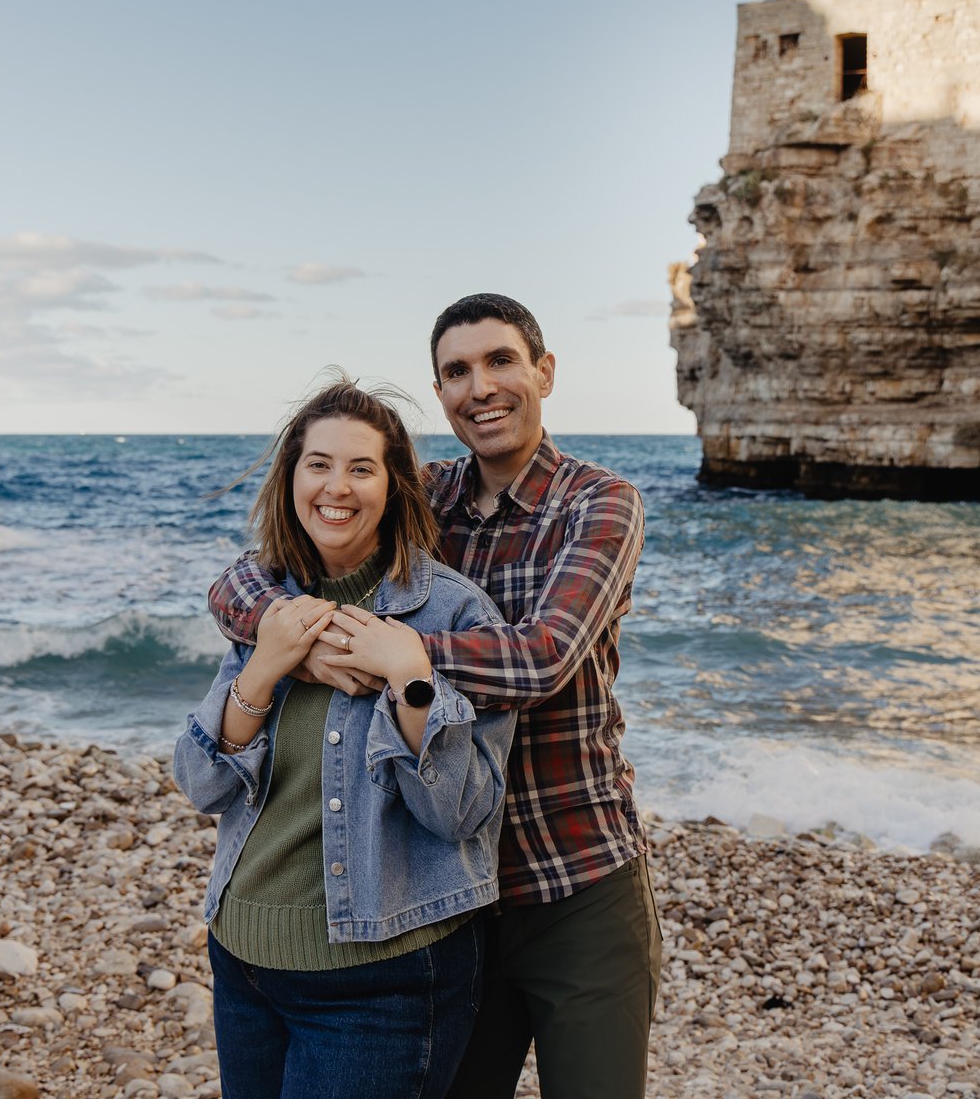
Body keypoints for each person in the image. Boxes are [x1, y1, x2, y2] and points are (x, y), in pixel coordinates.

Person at [209, 294, 661, 1099]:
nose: (479, 387)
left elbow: (544, 658)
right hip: (439, 887)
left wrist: (397, 656)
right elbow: (249, 575)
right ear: (440, 392)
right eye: (457, 371)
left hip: (571, 870)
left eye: (500, 361)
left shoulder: (597, 502)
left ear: (544, 372)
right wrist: (299, 646)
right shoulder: (426, 493)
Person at [173, 378, 517, 1099]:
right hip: (243, 958)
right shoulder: (268, 602)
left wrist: (411, 677)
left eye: (361, 468)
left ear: (393, 488)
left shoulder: (452, 612)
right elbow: (202, 784)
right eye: (319, 464)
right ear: (291, 478)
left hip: (382, 979)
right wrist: (266, 665)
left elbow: (461, 814)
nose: (337, 487)